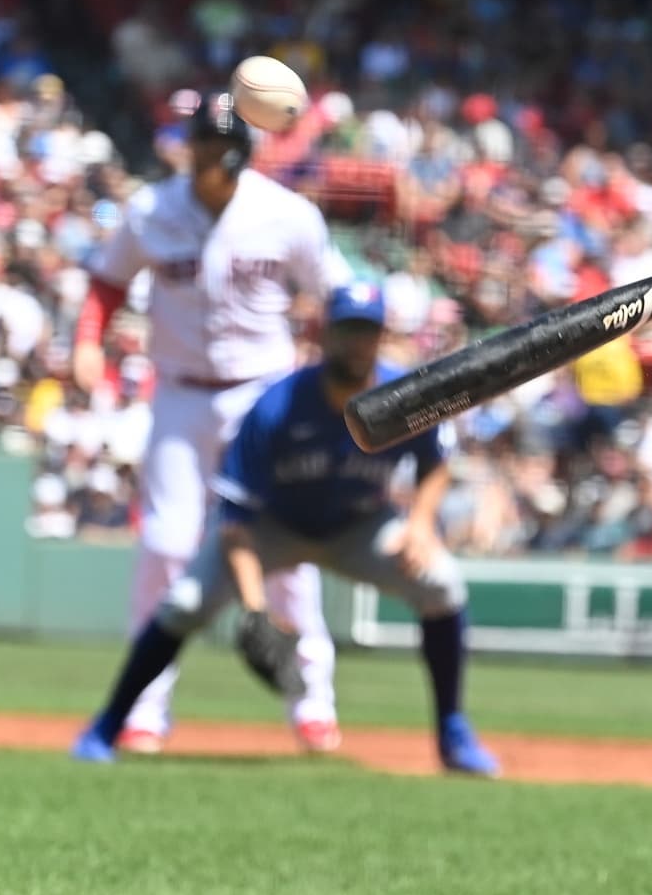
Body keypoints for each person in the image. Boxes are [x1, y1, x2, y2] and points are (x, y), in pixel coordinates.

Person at [72, 283, 499, 776]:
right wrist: (255, 608)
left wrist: (421, 524)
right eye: (347, 331)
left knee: (442, 584)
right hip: (270, 529)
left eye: (367, 332)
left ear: (381, 337)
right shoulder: (278, 405)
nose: (357, 343)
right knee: (185, 603)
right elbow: (236, 520)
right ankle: (105, 726)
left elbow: (436, 462)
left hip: (359, 526)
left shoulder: (403, 396)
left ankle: (453, 732)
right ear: (325, 335)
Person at [72, 91, 342, 754]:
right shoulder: (152, 209)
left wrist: (334, 376)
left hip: (265, 395)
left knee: (285, 552)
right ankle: (143, 708)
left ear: (240, 153)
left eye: (218, 149)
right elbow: (107, 282)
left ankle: (312, 701)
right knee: (165, 545)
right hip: (181, 394)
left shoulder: (287, 215)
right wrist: (86, 341)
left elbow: (334, 295)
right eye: (200, 146)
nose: (205, 159)